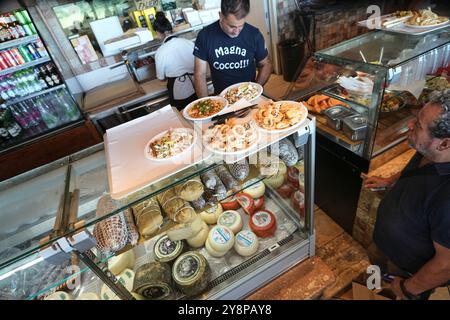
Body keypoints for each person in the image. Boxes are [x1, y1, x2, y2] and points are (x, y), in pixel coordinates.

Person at [364, 91, 450, 300]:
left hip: (406, 270)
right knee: (371, 286)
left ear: (445, 143)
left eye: (418, 125)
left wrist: (407, 289)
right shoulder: (429, 150)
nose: (410, 125)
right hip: (384, 247)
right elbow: (415, 170)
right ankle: (371, 291)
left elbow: (446, 264)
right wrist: (390, 181)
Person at [193, 0, 273, 97]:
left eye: (241, 26)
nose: (236, 32)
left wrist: (255, 89)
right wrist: (205, 103)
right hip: (221, 97)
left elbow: (266, 64)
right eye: (232, 26)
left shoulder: (254, 34)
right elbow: (199, 74)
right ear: (221, 16)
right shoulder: (205, 36)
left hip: (248, 96)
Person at [153, 12, 197, 110]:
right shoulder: (189, 43)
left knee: (183, 115)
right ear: (171, 29)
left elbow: (161, 78)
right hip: (197, 83)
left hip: (178, 91)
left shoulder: (160, 52)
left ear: (158, 32)